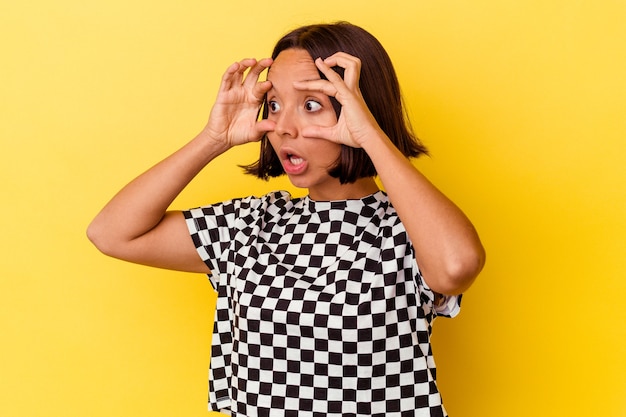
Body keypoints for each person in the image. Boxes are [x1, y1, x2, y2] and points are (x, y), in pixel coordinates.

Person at [88, 21, 485, 417]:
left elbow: (456, 267)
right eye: (274, 104)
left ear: (360, 109)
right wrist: (213, 139)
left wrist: (370, 136)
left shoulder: (409, 228)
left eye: (311, 105)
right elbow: (111, 233)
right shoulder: (251, 223)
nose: (283, 127)